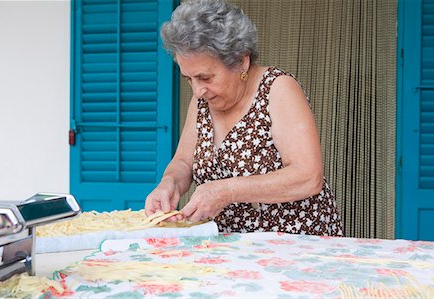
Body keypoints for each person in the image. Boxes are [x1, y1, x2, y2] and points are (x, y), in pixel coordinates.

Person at [145, 0, 343, 236]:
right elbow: (183, 163)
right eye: (189, 79)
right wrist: (168, 184)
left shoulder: (277, 89)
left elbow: (308, 177)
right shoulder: (202, 102)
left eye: (205, 77)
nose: (197, 91)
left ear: (241, 60)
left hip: (293, 244)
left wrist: (228, 191)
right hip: (230, 247)